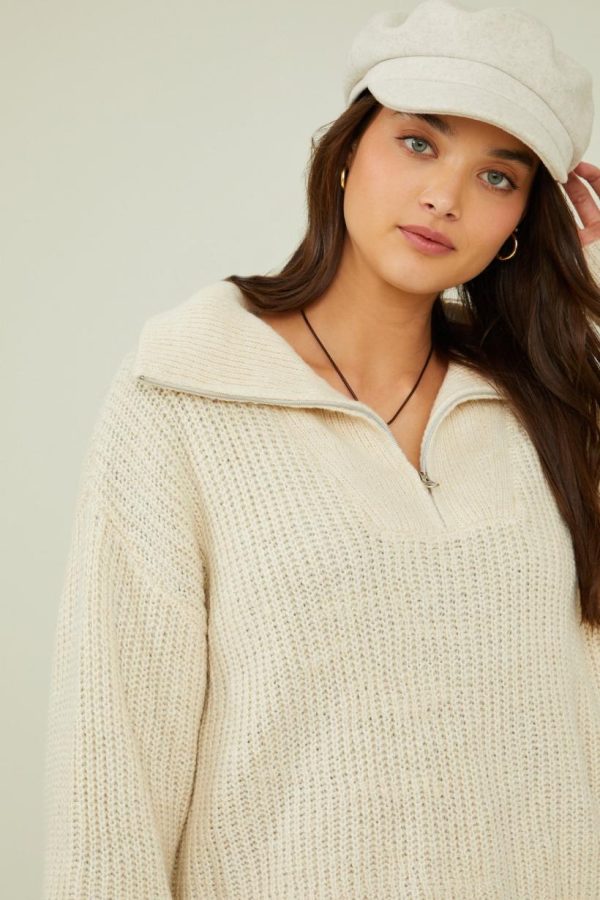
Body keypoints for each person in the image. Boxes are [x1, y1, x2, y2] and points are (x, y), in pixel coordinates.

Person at [42, 0, 600, 897]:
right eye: (418, 141)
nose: (445, 197)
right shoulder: (184, 391)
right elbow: (112, 768)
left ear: (524, 222)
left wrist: (582, 301)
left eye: (499, 176)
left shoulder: (556, 413)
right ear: (345, 151)